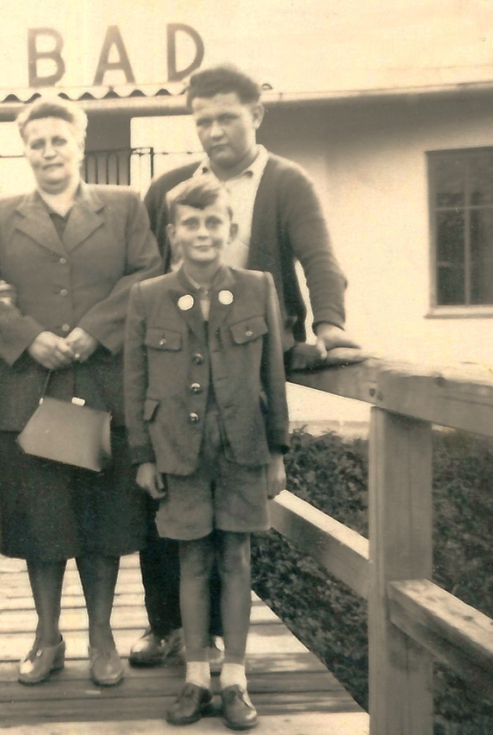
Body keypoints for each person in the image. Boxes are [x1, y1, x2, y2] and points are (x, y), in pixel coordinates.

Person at [130, 64, 359, 670]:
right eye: (201, 120)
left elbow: (318, 258)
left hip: (246, 364)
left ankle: (223, 658)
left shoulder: (286, 182)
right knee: (167, 505)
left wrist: (329, 328)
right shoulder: (171, 189)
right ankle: (167, 628)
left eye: (226, 117)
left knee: (233, 520)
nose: (213, 131)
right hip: (178, 370)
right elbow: (146, 274)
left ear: (255, 115)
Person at [0, 98, 163, 687]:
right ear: (24, 148)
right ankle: (47, 636)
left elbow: (147, 274)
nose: (49, 151)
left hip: (101, 383)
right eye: (37, 142)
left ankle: (101, 636)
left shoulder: (125, 207)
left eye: (59, 139)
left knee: (102, 523)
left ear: (80, 141)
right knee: (41, 523)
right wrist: (29, 339)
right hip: (31, 389)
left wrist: (91, 332)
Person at [124, 178, 289, 730]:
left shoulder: (257, 286)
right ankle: (196, 677)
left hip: (243, 450)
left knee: (237, 559)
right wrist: (143, 455)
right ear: (172, 234)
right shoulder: (147, 297)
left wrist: (277, 451)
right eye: (190, 223)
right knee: (191, 562)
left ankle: (236, 679)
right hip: (178, 452)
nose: (202, 232)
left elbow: (274, 375)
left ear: (230, 229)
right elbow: (135, 380)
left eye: (213, 222)